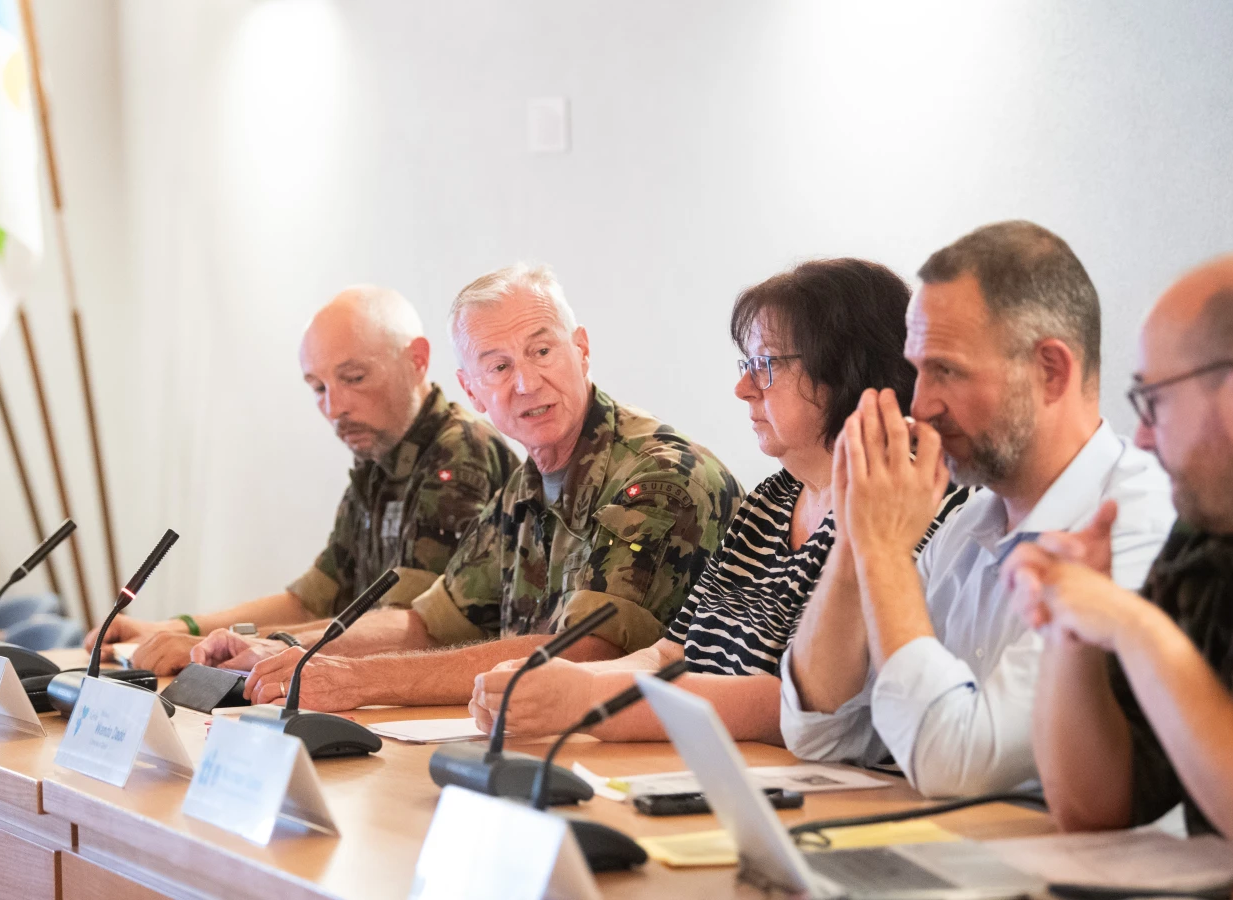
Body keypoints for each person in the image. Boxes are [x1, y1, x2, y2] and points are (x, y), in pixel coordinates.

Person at [464, 259, 971, 743]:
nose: (743, 388)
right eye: (746, 364)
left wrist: (588, 699)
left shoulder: (908, 495)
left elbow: (805, 708)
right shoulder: (774, 498)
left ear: (844, 369)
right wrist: (555, 680)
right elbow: (669, 654)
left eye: (765, 365)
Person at [194, 262, 742, 710]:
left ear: (581, 350)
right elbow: (427, 623)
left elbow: (580, 652)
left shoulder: (659, 475)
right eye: (498, 366)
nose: (526, 382)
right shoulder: (525, 487)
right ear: (473, 391)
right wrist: (288, 650)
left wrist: (357, 680)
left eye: (542, 351)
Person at [781, 220, 1176, 797]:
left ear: (1051, 371)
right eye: (917, 371)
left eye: (947, 371)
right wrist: (854, 540)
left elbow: (956, 765)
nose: (921, 404)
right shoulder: (971, 523)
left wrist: (886, 552)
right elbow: (822, 729)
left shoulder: (1134, 522)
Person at [1008, 251, 1233, 895]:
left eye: (1154, 400)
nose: (1145, 437)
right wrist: (1071, 630)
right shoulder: (1210, 531)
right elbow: (1093, 811)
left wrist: (1138, 630)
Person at [92, 285, 514, 674]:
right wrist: (176, 627)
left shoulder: (458, 452)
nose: (335, 408)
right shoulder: (376, 463)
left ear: (417, 360)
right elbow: (310, 599)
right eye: (317, 387)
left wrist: (249, 647)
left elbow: (410, 626)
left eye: (353, 378)